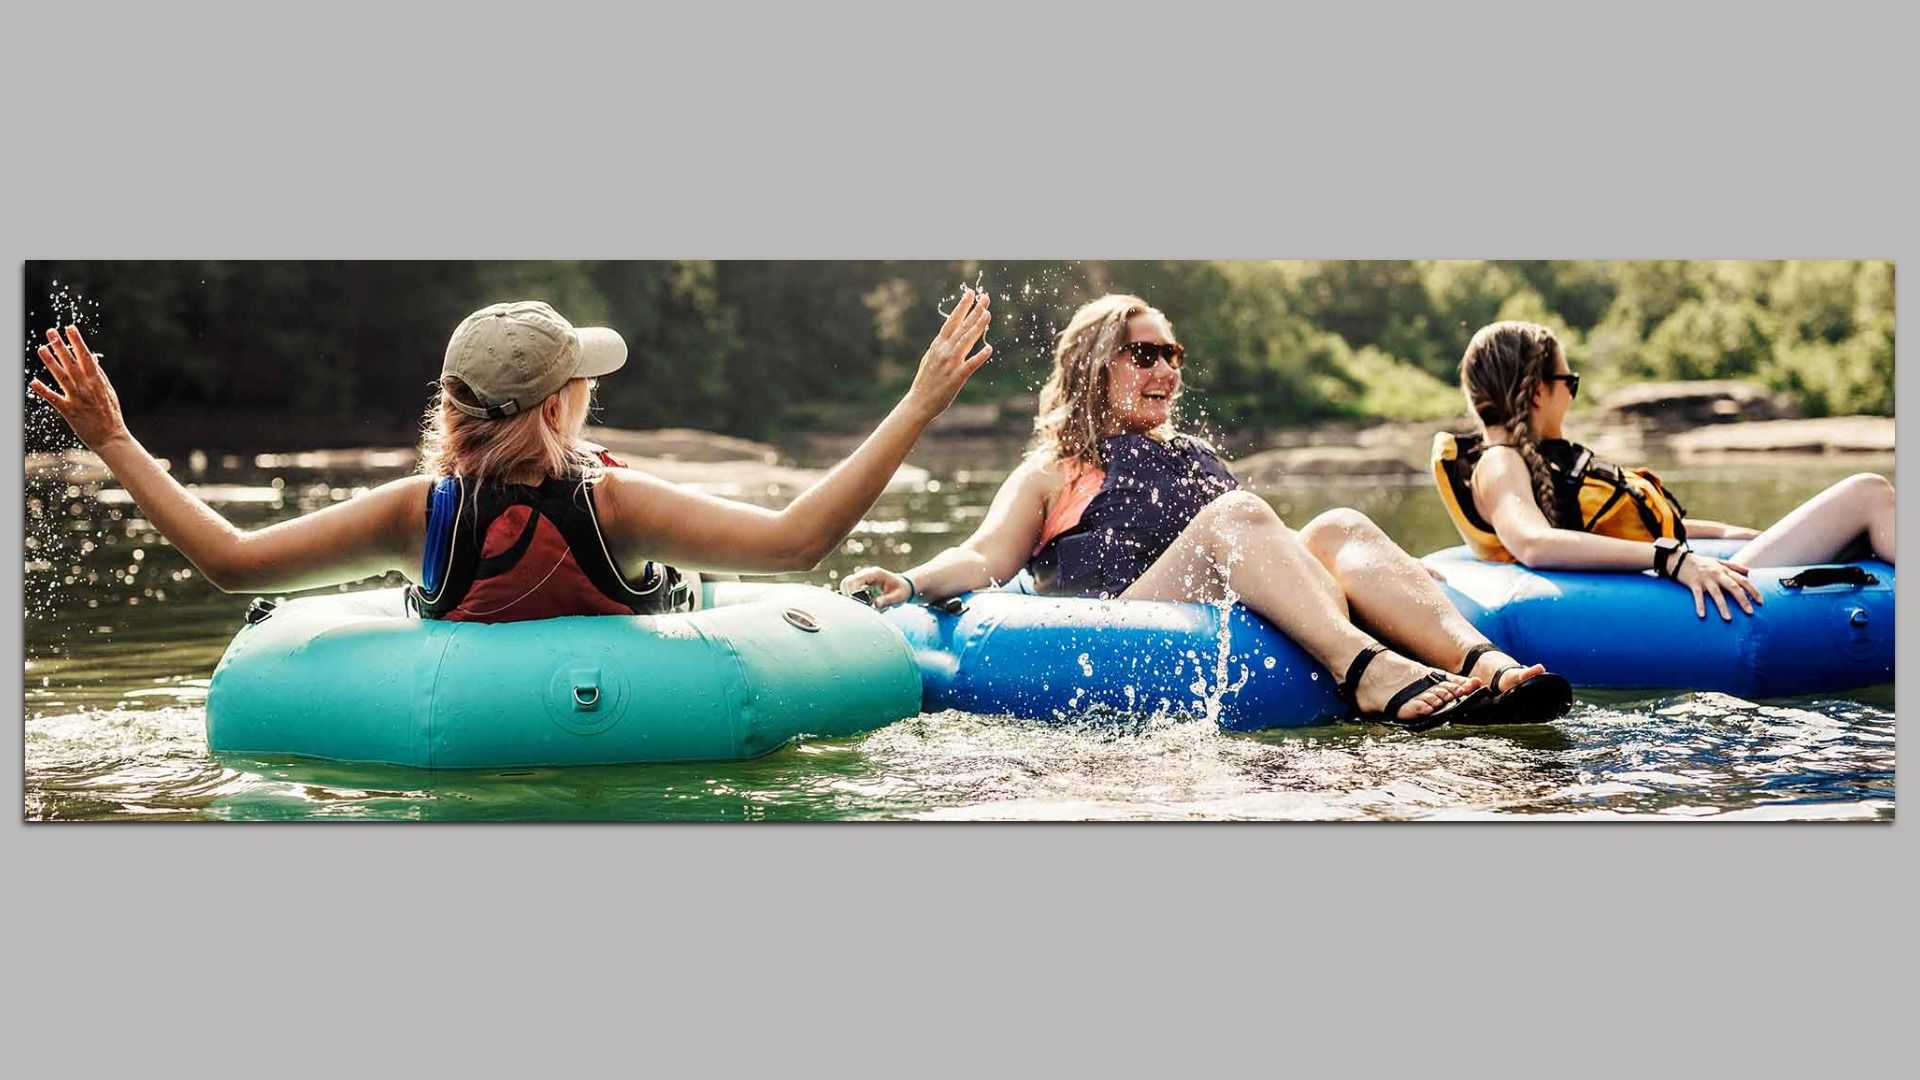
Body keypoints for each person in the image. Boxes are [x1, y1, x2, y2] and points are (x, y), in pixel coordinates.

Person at [29, 291, 995, 621]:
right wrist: (916, 401)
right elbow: (796, 544)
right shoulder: (616, 501)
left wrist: (113, 439)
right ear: (563, 400)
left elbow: (231, 563)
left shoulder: (418, 512)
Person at [841, 294, 1572, 730]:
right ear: (1094, 367)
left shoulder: (1191, 454)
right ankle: (1369, 672)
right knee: (1238, 514)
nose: (1166, 369)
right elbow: (983, 558)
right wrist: (911, 581)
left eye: (1173, 353)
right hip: (1133, 622)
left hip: (1234, 613)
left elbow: (1279, 555)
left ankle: (1490, 667)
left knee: (1338, 525)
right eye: (1143, 353)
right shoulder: (1052, 473)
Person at [1439, 320, 1895, 622]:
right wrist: (1670, 558)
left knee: (1856, 524)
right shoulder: (1501, 461)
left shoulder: (1536, 461)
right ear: (1539, 392)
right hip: (1673, 600)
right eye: (1569, 383)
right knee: (1868, 492)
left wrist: (1730, 532)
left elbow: (1609, 529)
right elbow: (1535, 543)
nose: (1573, 395)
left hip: (1683, 581)